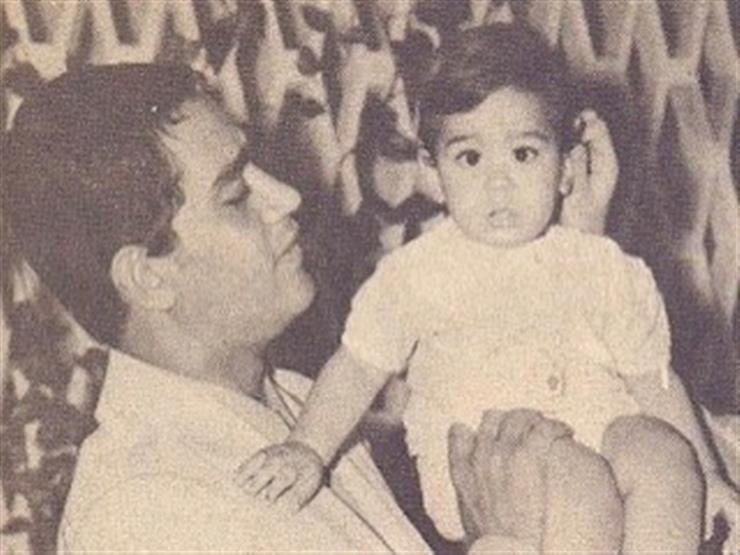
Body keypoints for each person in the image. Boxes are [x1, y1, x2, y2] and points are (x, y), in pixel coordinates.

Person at [4, 63, 626, 553]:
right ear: (149, 277)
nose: (286, 197)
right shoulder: (147, 513)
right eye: (236, 195)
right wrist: (508, 542)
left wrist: (575, 254)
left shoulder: (296, 400)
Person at [241, 22, 738, 552]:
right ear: (434, 172)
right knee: (582, 488)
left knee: (666, 457)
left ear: (565, 168)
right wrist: (307, 447)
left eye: (524, 154)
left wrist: (710, 475)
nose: (498, 183)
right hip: (490, 456)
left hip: (599, 425)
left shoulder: (603, 267)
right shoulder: (417, 275)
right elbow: (358, 366)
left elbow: (654, 380)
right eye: (470, 158)